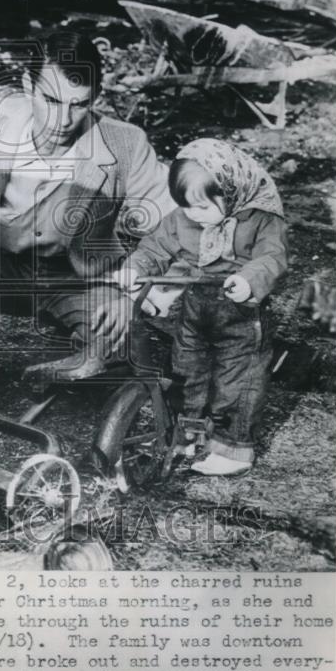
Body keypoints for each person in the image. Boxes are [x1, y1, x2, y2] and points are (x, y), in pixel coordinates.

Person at [0, 31, 175, 372]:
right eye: (52, 100)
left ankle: (78, 345)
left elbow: (176, 225)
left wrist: (131, 294)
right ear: (29, 84)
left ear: (97, 97)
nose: (63, 121)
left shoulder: (125, 143)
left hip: (74, 279)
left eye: (79, 104)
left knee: (121, 347)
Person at [117, 138, 288, 476]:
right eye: (186, 206)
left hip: (241, 316)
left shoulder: (261, 220)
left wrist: (249, 279)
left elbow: (272, 257)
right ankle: (189, 433)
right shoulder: (183, 218)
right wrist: (136, 267)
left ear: (232, 191)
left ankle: (233, 447)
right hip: (195, 309)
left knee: (236, 380)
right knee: (186, 369)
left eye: (202, 207)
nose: (193, 215)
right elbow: (155, 246)